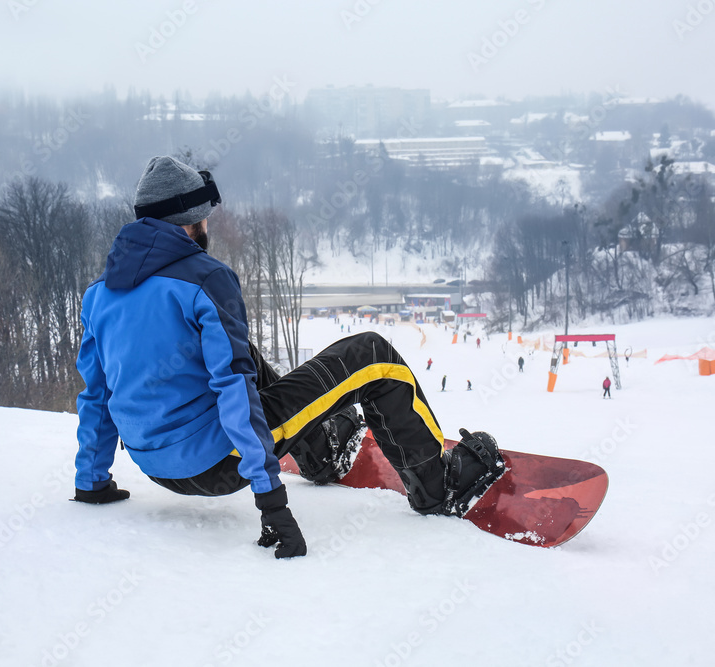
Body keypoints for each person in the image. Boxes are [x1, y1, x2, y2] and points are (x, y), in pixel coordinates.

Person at [71, 156, 504, 559]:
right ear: (190, 221)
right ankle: (437, 487)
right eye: (204, 216)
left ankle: (320, 451)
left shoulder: (99, 294)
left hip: (155, 466)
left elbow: (97, 393)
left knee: (242, 354)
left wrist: (91, 481)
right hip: (218, 464)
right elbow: (233, 388)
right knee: (373, 354)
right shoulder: (207, 280)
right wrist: (271, 504)